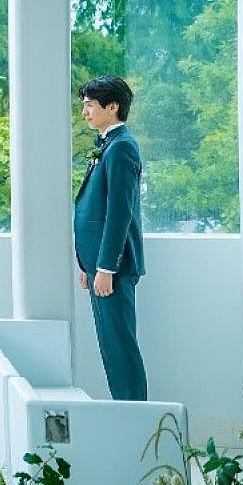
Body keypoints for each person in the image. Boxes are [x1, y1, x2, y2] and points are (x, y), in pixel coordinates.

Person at [75, 76, 147, 401]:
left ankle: (137, 420)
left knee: (120, 349)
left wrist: (106, 267)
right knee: (110, 348)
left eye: (90, 105)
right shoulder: (107, 145)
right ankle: (126, 415)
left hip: (112, 268)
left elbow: (120, 212)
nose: (85, 112)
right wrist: (87, 264)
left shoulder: (121, 147)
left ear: (112, 106)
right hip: (99, 266)